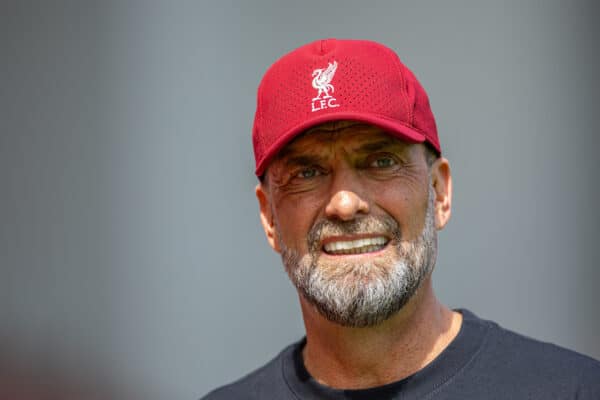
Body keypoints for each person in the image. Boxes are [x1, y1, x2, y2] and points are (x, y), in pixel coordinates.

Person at [202, 38, 600, 399]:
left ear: (440, 192)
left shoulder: (573, 390)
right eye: (307, 172)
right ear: (269, 216)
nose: (344, 203)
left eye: (381, 161)